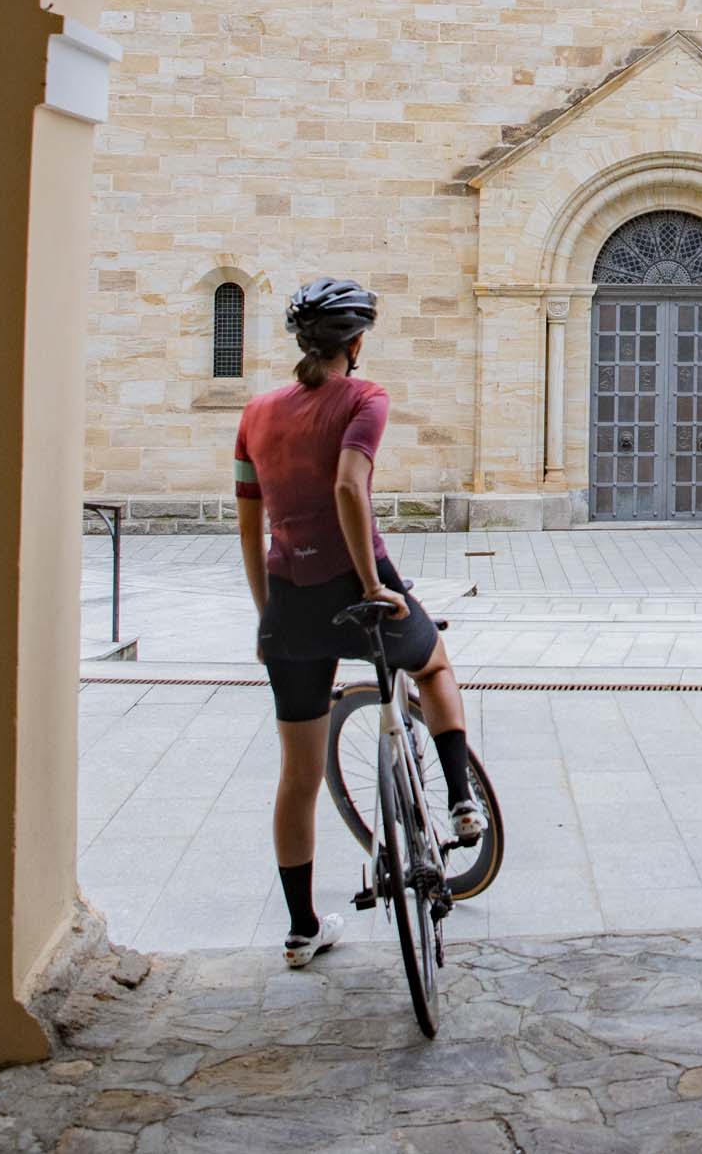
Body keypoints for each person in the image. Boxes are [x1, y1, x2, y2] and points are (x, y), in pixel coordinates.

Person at [235, 277, 482, 967]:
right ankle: (461, 801)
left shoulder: (254, 413)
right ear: (357, 344)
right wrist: (375, 585)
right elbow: (348, 485)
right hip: (358, 587)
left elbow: (248, 522)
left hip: (289, 601)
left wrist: (268, 618)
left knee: (297, 776)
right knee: (433, 665)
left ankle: (302, 928)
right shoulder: (364, 397)